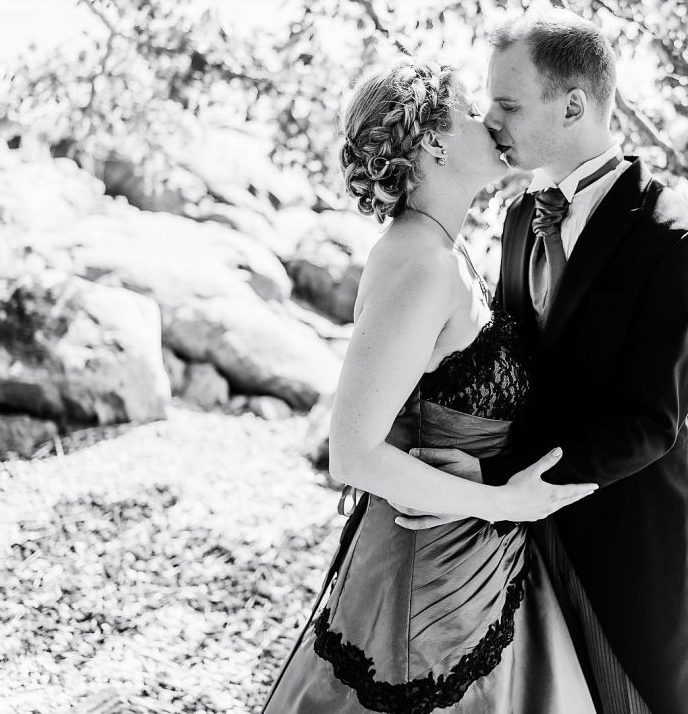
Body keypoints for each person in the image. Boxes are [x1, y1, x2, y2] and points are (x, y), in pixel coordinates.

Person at [395, 8, 688, 714]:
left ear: (573, 105)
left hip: (621, 540)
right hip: (513, 539)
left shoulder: (677, 238)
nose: (489, 120)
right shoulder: (518, 218)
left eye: (508, 104)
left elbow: (649, 422)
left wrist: (501, 478)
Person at [258, 59, 602, 714]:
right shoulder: (420, 267)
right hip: (423, 591)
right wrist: (505, 503)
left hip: (472, 564)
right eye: (472, 111)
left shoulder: (446, 252)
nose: (490, 121)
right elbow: (353, 454)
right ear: (436, 141)